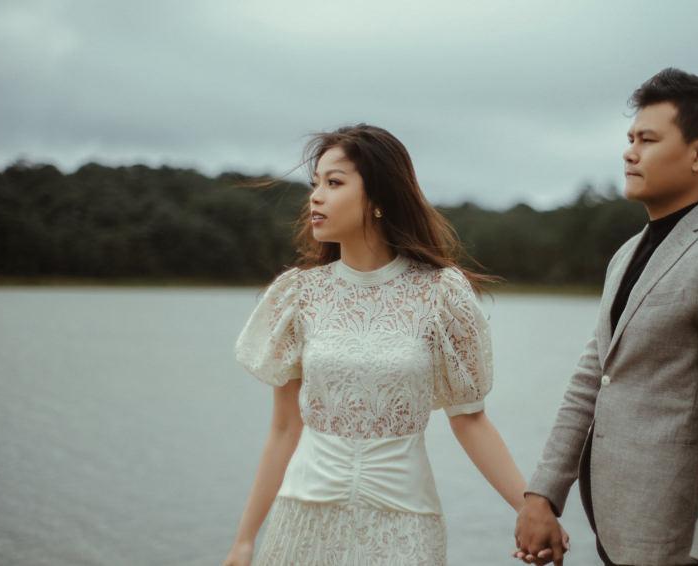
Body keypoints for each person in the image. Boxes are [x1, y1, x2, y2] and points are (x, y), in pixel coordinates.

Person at [222, 124, 564, 565]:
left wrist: (530, 507)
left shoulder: (441, 293)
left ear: (378, 198)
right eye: (315, 184)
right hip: (303, 519)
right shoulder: (299, 294)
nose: (316, 198)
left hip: (404, 523)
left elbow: (470, 419)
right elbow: (285, 428)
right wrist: (244, 540)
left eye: (334, 183)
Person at [514, 68, 698, 566]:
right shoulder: (627, 253)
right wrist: (542, 494)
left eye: (648, 140)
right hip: (617, 531)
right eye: (630, 139)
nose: (630, 152)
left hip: (676, 546)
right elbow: (592, 378)